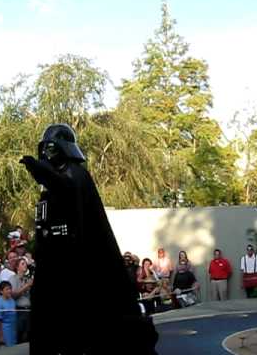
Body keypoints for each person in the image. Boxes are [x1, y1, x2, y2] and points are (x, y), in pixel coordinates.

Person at [20, 123, 157, 354]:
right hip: (53, 261)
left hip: (78, 261)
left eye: (52, 148)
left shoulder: (76, 175)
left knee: (83, 318)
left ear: (64, 148)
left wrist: (42, 172)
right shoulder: (49, 185)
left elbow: (67, 189)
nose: (47, 154)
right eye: (45, 149)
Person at [0, 281, 17, 347]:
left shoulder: (12, 300)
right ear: (1, 291)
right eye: (7, 289)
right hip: (5, 329)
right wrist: (1, 336)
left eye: (10, 288)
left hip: (13, 328)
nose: (9, 291)